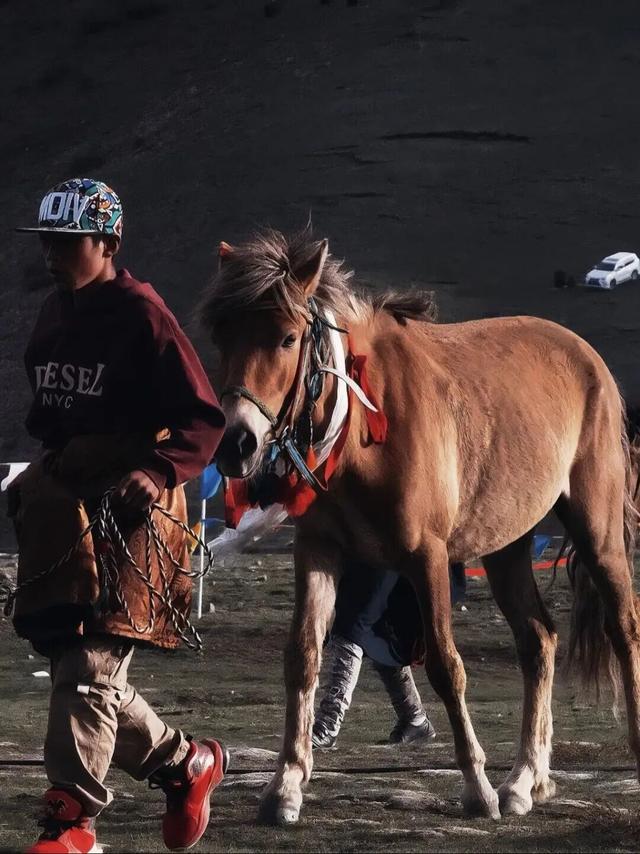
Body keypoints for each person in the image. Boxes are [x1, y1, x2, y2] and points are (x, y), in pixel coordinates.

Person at [11, 178, 227, 853]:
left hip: (136, 515)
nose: (51, 252)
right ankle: (184, 765)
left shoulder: (142, 313)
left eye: (66, 241)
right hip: (71, 512)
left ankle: (70, 824)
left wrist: (155, 469)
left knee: (88, 670)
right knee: (82, 664)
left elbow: (202, 417)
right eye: (47, 241)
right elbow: (47, 413)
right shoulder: (53, 312)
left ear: (106, 242)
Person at [312, 562, 466, 749]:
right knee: (378, 628)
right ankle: (414, 717)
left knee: (355, 621)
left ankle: (327, 725)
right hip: (381, 549)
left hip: (399, 548)